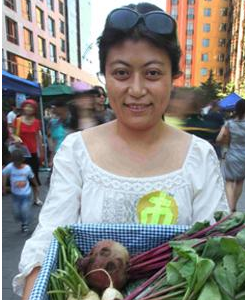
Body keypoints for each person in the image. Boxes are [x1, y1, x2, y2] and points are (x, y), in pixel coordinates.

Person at [14, 3, 228, 299]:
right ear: (104, 76)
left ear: (173, 77)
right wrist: (34, 289)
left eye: (152, 73)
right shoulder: (77, 151)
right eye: (121, 73)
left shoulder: (200, 157)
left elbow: (218, 248)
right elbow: (50, 237)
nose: (137, 89)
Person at [216, 100, 245, 212]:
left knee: (229, 181)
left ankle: (230, 207)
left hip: (231, 155)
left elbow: (220, 139)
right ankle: (234, 204)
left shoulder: (229, 124)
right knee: (240, 182)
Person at [11, 99, 44, 206]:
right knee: (20, 175)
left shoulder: (36, 122)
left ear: (34, 109)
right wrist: (16, 138)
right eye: (26, 106)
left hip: (33, 152)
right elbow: (13, 134)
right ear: (23, 108)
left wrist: (41, 152)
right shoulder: (18, 120)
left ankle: (36, 198)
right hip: (21, 153)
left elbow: (38, 138)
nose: (28, 108)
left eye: (31, 107)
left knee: (34, 175)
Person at [2, 149, 39, 233]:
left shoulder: (27, 168)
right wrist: (3, 186)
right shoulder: (10, 167)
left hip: (26, 194)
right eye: (15, 163)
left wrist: (36, 185)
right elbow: (4, 174)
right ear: (12, 160)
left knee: (24, 209)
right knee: (16, 213)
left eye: (18, 162)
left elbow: (32, 177)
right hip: (15, 195)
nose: (16, 165)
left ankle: (25, 224)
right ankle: (23, 218)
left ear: (22, 160)